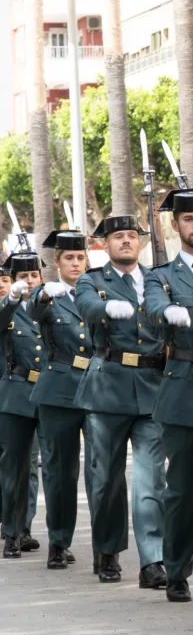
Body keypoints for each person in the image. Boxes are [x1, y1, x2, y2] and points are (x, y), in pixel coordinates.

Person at [74, 215, 167, 585]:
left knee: (151, 479)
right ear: (105, 244)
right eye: (118, 237)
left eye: (131, 236)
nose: (126, 241)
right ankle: (108, 551)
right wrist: (106, 308)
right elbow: (85, 305)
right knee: (106, 479)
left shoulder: (157, 279)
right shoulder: (93, 280)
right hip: (107, 387)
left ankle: (152, 560)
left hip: (152, 387)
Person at [143, 188, 193, 603]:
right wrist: (165, 312)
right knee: (182, 492)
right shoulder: (161, 276)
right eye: (189, 219)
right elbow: (152, 306)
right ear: (175, 226)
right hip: (184, 389)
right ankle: (176, 570)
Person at [31, 227, 92, 568]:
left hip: (98, 388)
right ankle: (58, 541)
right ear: (57, 262)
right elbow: (34, 310)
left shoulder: (98, 293)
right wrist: (43, 294)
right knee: (60, 471)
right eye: (69, 257)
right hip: (59, 389)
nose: (75, 263)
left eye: (80, 257)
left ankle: (106, 549)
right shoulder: (48, 295)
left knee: (102, 471)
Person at [0, 243, 46, 559]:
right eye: (23, 276)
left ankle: (26, 529)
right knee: (15, 466)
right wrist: (12, 299)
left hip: (48, 393)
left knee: (35, 467)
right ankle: (12, 532)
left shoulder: (52, 305)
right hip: (16, 393)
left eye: (34, 275)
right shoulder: (9, 308)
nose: (29, 281)